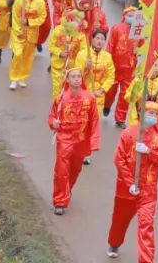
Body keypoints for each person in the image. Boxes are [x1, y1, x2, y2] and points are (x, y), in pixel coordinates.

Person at [106, 100, 158, 261]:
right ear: (140, 113)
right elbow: (118, 160)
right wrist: (130, 183)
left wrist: (149, 151)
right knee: (120, 219)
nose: (153, 117)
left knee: (146, 226)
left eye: (156, 114)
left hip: (148, 191)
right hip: (126, 189)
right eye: (150, 113)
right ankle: (114, 242)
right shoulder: (128, 133)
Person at [48, 67, 98, 215]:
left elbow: (94, 120)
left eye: (79, 76)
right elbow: (51, 116)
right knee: (61, 170)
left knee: (75, 170)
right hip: (64, 139)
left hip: (81, 140)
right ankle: (59, 201)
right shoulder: (61, 98)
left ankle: (66, 190)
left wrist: (94, 141)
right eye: (73, 77)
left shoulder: (90, 98)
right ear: (68, 80)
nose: (77, 79)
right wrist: (53, 123)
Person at [74, 27, 115, 161]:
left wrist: (102, 89)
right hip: (84, 94)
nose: (99, 41)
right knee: (81, 123)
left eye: (102, 39)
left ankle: (87, 152)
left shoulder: (108, 57)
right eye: (97, 38)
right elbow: (76, 75)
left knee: (92, 124)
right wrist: (85, 67)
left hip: (98, 97)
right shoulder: (82, 54)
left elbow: (111, 77)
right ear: (92, 39)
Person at [106, 7, 142, 127]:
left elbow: (143, 48)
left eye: (134, 15)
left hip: (130, 70)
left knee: (125, 96)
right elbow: (110, 46)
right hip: (115, 67)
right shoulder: (116, 28)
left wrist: (139, 50)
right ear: (125, 15)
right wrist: (107, 62)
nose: (132, 17)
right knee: (110, 91)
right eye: (130, 15)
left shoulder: (139, 32)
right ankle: (107, 105)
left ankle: (120, 119)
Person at [9, 0, 46, 89]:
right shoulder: (19, 0)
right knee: (17, 54)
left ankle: (22, 77)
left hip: (32, 34)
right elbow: (15, 18)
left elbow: (42, 18)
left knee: (27, 56)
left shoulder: (40, 2)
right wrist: (19, 31)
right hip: (19, 34)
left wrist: (29, 22)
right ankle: (13, 78)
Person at [48, 13, 87, 99]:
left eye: (76, 21)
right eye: (71, 20)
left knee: (69, 91)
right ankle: (56, 109)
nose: (73, 23)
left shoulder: (81, 35)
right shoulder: (58, 31)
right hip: (58, 66)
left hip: (72, 68)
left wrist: (79, 58)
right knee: (57, 89)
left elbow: (84, 51)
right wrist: (59, 53)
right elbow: (50, 46)